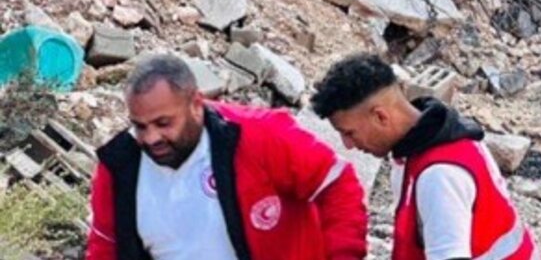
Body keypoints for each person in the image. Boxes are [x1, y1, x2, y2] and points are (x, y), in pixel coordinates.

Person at [86, 55, 369, 260]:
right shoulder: (119, 168)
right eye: (140, 126)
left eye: (163, 123)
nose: (151, 138)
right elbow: (105, 248)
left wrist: (343, 253)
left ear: (196, 104)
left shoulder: (260, 134)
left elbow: (337, 184)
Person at [311, 55, 537, 260]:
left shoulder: (439, 176)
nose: (347, 145)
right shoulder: (430, 141)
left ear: (380, 116)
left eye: (349, 133)